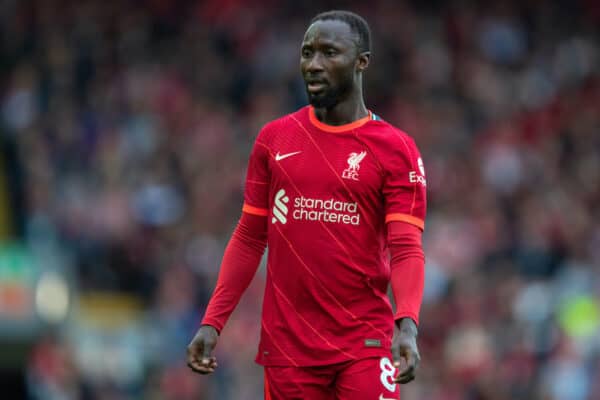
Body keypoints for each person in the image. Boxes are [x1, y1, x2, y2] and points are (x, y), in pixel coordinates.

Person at [187, 10, 426, 399]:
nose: (313, 64)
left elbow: (406, 247)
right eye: (307, 53)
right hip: (288, 351)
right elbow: (249, 238)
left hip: (365, 345)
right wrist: (212, 323)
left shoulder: (396, 149)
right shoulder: (274, 139)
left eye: (329, 53)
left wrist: (408, 326)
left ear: (361, 62)